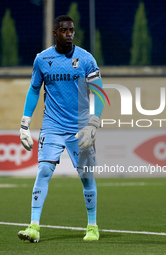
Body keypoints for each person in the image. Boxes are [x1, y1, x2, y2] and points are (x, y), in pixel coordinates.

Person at [17, 15, 104, 242]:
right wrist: (24, 124)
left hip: (80, 128)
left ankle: (92, 226)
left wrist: (94, 123)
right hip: (52, 126)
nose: (69, 34)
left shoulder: (86, 59)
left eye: (72, 30)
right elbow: (34, 90)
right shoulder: (42, 59)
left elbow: (99, 92)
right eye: (64, 30)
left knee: (86, 176)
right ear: (55, 33)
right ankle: (34, 226)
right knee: (44, 171)